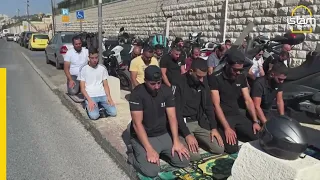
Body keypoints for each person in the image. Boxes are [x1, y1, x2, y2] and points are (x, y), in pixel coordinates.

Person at [128, 65, 190, 178]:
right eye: (152, 84)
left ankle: (161, 152)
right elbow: (137, 124)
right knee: (151, 171)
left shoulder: (166, 90)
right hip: (144, 135)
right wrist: (149, 149)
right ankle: (133, 156)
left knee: (184, 161)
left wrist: (176, 141)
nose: (157, 87)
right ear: (145, 81)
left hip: (162, 132)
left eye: (159, 82)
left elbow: (172, 117)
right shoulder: (137, 93)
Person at [208, 48, 261, 154]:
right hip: (224, 117)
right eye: (235, 69)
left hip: (237, 114)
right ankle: (226, 131)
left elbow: (248, 100)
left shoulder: (240, 76)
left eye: (240, 70)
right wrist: (227, 128)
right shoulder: (215, 77)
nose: (237, 72)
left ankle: (239, 131)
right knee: (232, 148)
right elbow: (216, 105)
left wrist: (255, 121)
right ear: (227, 65)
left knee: (259, 137)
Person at [175, 58, 224, 160]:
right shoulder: (179, 83)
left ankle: (196, 139)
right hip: (182, 124)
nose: (201, 80)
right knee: (194, 156)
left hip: (198, 121)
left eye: (203, 77)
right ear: (191, 71)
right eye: (199, 76)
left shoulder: (203, 82)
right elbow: (176, 113)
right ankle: (184, 139)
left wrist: (213, 128)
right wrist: (187, 134)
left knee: (219, 149)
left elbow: (208, 107)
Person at [77, 48, 117, 120]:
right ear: (89, 58)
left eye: (96, 58)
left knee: (113, 113)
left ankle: (100, 107)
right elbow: (82, 88)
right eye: (92, 58)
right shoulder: (83, 69)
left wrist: (109, 97)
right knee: (94, 116)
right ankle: (90, 107)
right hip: (90, 96)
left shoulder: (102, 68)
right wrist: (89, 100)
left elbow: (106, 85)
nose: (94, 60)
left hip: (102, 95)